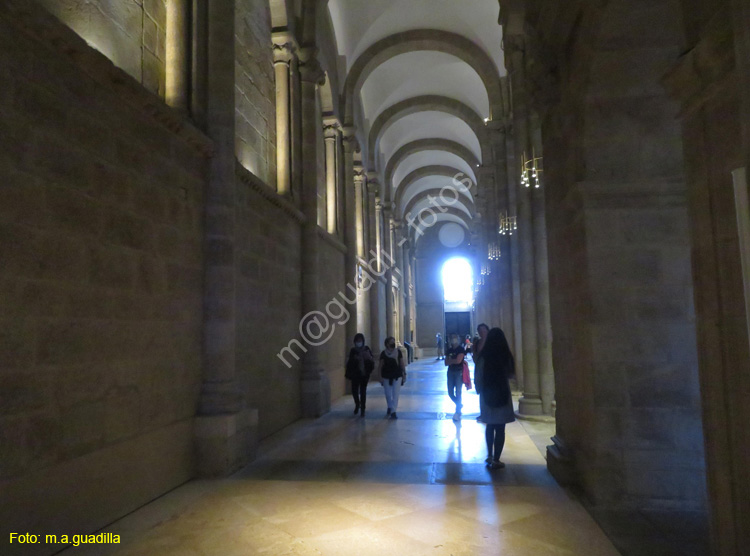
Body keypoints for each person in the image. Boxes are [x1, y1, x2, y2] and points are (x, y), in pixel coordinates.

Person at [474, 327, 516, 469]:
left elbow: (478, 375)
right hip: (503, 393)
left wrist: (479, 389)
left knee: (490, 425)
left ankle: (489, 455)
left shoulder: (484, 356)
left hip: (487, 394)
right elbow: (511, 375)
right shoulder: (505, 356)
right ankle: (497, 458)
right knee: (500, 428)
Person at [345, 333, 374, 417]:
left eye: (360, 340)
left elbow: (371, 360)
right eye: (357, 341)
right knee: (354, 391)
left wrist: (367, 357)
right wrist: (355, 359)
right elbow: (350, 362)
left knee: (363, 391)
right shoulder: (353, 350)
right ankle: (357, 403)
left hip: (364, 373)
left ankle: (363, 409)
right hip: (355, 374)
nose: (359, 342)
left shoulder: (366, 349)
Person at [377, 337, 406, 419]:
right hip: (386, 375)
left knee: (395, 394)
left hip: (397, 375)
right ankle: (390, 406)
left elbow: (401, 363)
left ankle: (393, 411)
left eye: (394, 342)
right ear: (387, 344)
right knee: (388, 394)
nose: (393, 343)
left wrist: (404, 373)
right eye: (391, 342)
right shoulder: (383, 353)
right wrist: (379, 376)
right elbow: (380, 366)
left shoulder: (398, 352)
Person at [444, 333, 466, 421]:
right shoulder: (449, 350)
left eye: (455, 338)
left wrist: (451, 361)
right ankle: (459, 404)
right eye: (452, 338)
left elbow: (458, 361)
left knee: (458, 391)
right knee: (450, 392)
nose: (453, 339)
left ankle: (457, 411)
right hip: (450, 372)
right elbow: (446, 363)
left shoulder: (461, 349)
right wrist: (453, 360)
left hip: (458, 372)